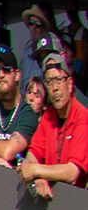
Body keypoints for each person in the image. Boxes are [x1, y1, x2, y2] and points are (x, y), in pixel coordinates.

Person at [15, 56, 88, 199]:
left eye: (58, 80)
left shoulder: (82, 117)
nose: (54, 88)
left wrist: (37, 171)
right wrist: (39, 176)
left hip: (76, 202)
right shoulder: (49, 115)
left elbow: (72, 173)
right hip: (48, 200)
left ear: (70, 83)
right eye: (49, 82)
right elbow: (33, 154)